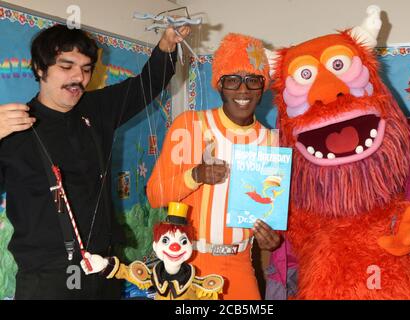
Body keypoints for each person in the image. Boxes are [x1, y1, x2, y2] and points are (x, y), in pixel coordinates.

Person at [0, 23, 190, 299]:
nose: (79, 76)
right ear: (40, 69)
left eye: (87, 68)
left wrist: (166, 47)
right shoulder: (12, 129)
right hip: (46, 279)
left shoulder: (96, 109)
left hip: (104, 269)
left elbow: (146, 85)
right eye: (67, 66)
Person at [147, 33, 281, 300]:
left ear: (262, 87)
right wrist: (195, 175)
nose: (242, 90)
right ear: (219, 85)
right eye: (232, 80)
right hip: (188, 264)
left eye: (252, 80)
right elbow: (154, 195)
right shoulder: (190, 126)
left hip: (240, 263)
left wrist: (273, 239)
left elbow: (271, 213)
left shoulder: (272, 143)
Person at [81, 201, 224, 300]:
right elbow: (125, 271)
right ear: (155, 246)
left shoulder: (199, 287)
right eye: (166, 241)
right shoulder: (154, 276)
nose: (175, 247)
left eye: (183, 241)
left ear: (190, 247)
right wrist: (104, 265)